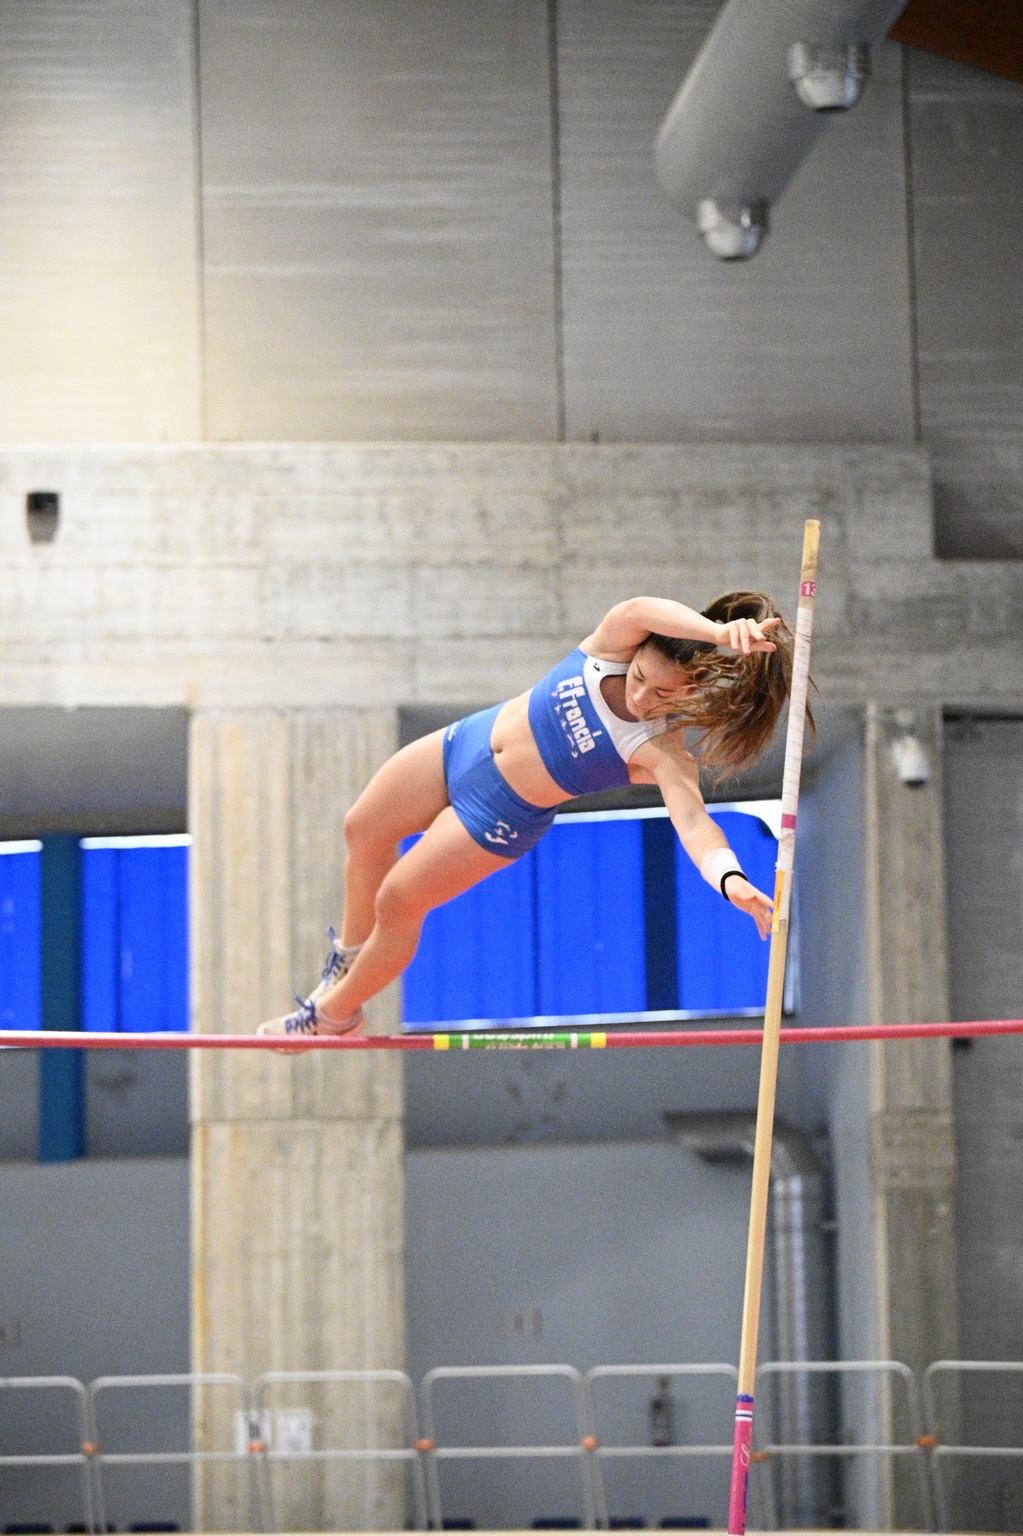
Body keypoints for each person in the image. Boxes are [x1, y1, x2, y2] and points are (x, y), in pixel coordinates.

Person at [258, 591, 799, 1038]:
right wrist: (717, 634)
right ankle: (348, 961)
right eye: (639, 677)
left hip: (497, 816)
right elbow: (640, 609)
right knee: (362, 828)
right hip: (466, 746)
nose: (641, 698)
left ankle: (334, 1015)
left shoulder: (661, 750)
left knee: (396, 901)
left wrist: (730, 879)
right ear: (635, 651)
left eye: (662, 695)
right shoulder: (613, 642)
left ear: (692, 692)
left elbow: (695, 824)